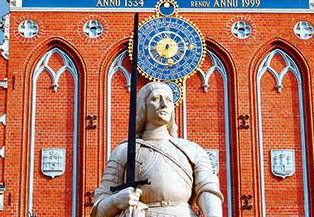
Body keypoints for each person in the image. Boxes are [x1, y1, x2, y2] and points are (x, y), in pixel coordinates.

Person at [91, 82, 223, 217]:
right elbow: (98, 210)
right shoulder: (124, 150)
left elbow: (207, 188)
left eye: (169, 100)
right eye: (155, 99)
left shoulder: (192, 150)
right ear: (143, 106)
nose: (164, 104)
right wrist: (116, 201)